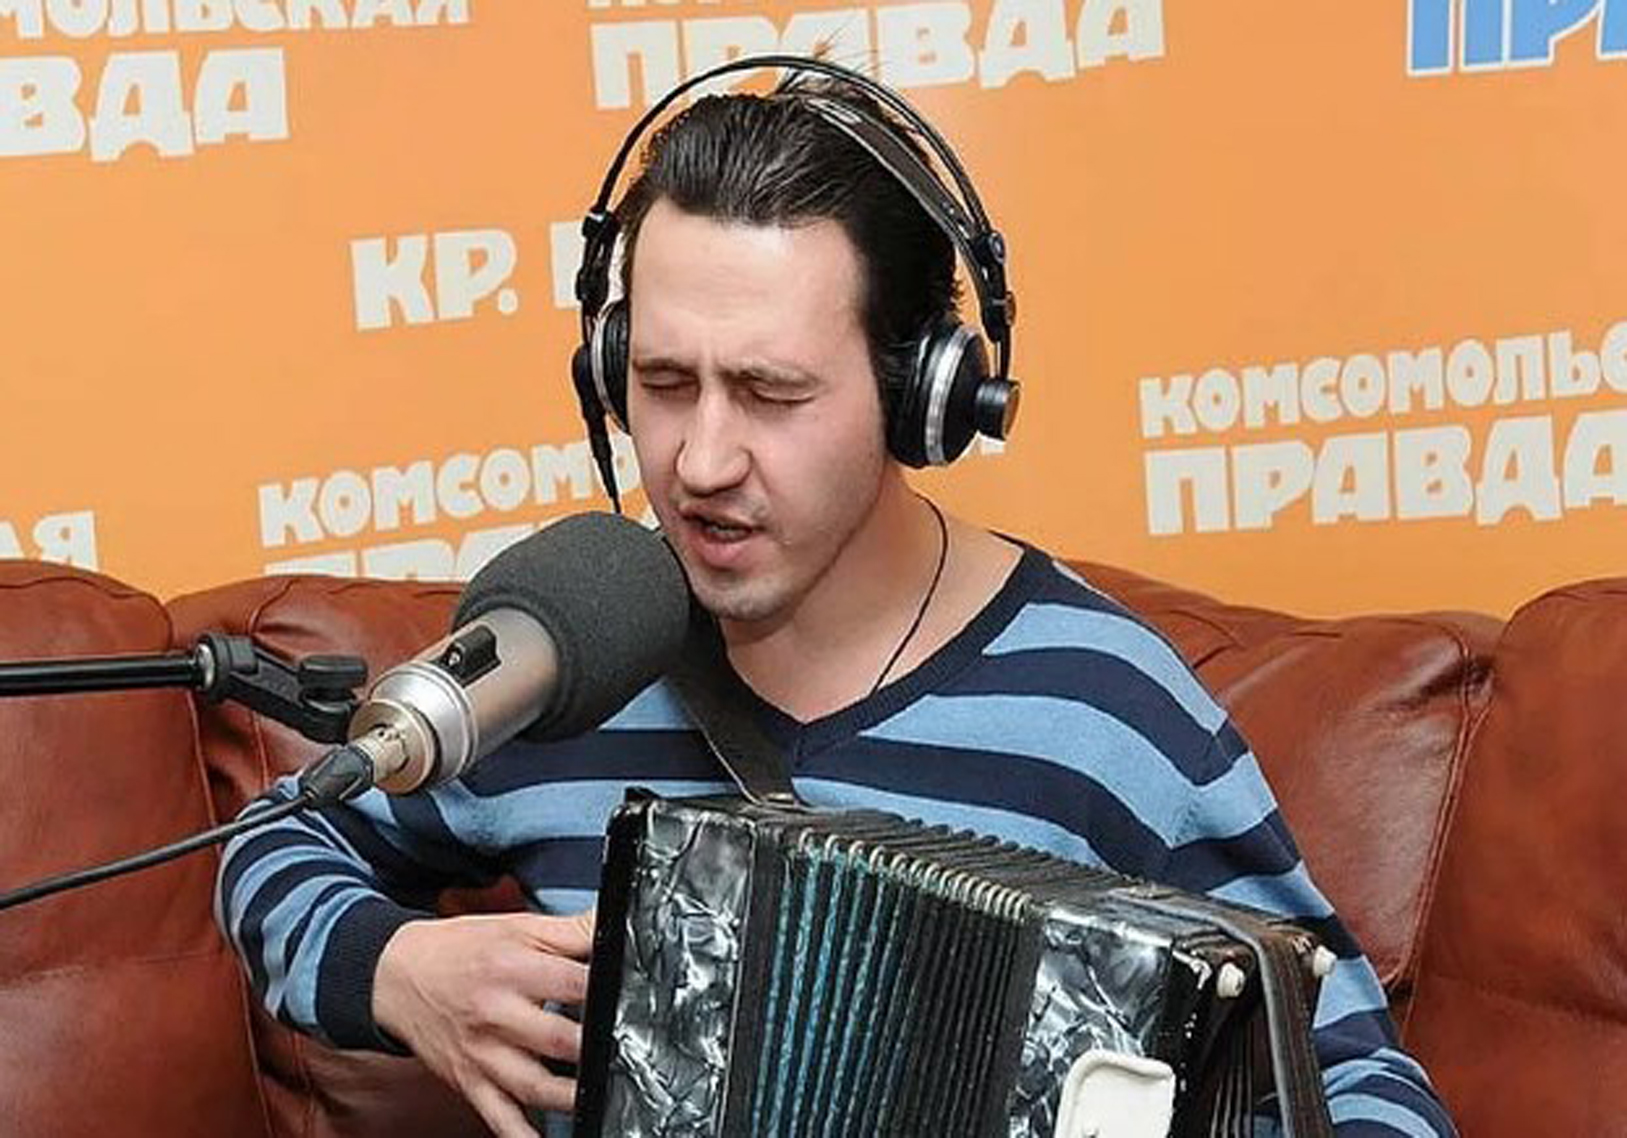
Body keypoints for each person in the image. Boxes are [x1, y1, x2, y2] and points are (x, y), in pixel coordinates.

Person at [216, 60, 1457, 1138]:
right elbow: (275, 841)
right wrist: (396, 969)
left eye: (772, 394)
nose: (702, 461)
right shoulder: (568, 659)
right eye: (663, 382)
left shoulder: (1099, 707)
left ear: (920, 399)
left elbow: (1359, 1081)